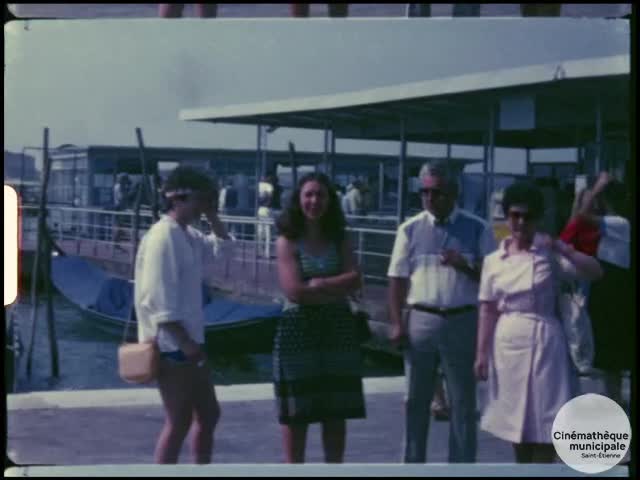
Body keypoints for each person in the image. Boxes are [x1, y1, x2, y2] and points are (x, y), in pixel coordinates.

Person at [475, 181, 602, 464]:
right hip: (507, 346)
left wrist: (563, 247)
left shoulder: (549, 255)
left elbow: (595, 272)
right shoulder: (494, 261)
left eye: (528, 216)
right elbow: (487, 309)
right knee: (515, 423)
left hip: (546, 344)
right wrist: (480, 354)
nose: (521, 222)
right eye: (515, 215)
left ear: (538, 218)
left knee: (548, 421)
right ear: (506, 216)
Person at [387, 160, 497, 463]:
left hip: (462, 320)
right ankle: (413, 466)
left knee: (463, 404)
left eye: (436, 192)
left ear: (453, 193)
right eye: (424, 192)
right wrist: (396, 323)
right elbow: (396, 280)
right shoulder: (409, 229)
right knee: (415, 401)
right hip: (421, 320)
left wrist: (465, 265)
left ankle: (461, 467)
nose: (429, 198)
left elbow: (492, 281)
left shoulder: (479, 228)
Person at [134, 165, 231, 464]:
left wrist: (213, 216)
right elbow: (158, 299)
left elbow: (223, 252)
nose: (204, 205)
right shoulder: (163, 237)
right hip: (172, 345)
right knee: (178, 421)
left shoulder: (188, 234)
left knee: (209, 414)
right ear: (178, 198)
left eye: (208, 200)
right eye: (200, 199)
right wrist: (186, 344)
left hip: (190, 342)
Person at [274, 172, 366, 463]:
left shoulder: (340, 238)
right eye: (309, 195)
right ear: (298, 199)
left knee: (336, 411)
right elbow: (294, 291)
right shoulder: (287, 241)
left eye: (321, 195)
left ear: (330, 200)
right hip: (297, 333)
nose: (315, 201)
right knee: (297, 414)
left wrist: (320, 283)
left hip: (337, 331)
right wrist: (335, 288)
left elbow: (356, 278)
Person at [576, 172, 631, 407]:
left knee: (612, 356)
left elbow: (582, 216)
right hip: (605, 286)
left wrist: (595, 189)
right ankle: (613, 400)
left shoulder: (620, 223)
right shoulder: (612, 224)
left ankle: (615, 401)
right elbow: (576, 223)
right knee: (607, 356)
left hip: (614, 288)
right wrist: (581, 195)